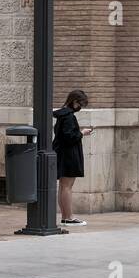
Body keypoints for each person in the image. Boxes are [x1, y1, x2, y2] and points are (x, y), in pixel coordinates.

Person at [53, 89, 93, 226]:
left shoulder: (62, 115)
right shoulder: (69, 117)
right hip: (69, 155)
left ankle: (65, 217)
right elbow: (69, 137)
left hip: (62, 153)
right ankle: (69, 218)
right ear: (74, 102)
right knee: (67, 187)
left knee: (63, 186)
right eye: (80, 104)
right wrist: (82, 133)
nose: (81, 107)